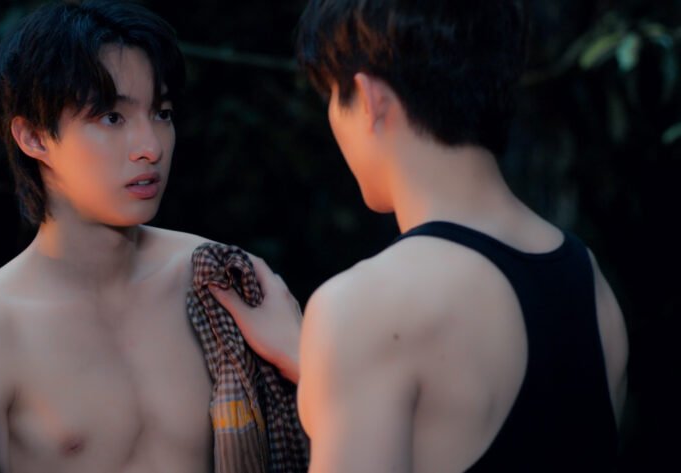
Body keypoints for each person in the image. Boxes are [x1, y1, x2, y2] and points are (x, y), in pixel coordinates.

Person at [216, 0, 629, 471]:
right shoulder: (590, 282)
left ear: (370, 99)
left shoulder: (364, 305)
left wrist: (338, 347)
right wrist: (320, 363)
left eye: (331, 94)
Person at [0, 1, 300, 472]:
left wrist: (303, 362)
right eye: (112, 118)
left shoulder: (218, 279)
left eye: (162, 113)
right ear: (34, 137)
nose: (150, 147)